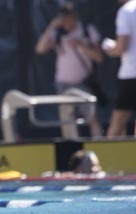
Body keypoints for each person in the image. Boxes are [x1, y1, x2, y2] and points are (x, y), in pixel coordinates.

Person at [35, 2, 104, 138]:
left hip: (83, 83)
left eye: (68, 17)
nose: (65, 20)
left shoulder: (87, 30)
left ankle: (99, 144)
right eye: (63, 17)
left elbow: (99, 57)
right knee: (67, 120)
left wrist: (80, 45)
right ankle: (72, 147)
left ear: (75, 16)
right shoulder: (57, 33)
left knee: (92, 117)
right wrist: (51, 27)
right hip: (63, 84)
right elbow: (40, 49)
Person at [104, 0, 136, 138]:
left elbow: (122, 46)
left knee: (117, 124)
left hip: (131, 75)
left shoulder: (126, 11)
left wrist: (110, 49)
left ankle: (108, 152)